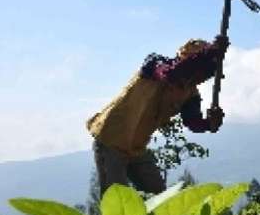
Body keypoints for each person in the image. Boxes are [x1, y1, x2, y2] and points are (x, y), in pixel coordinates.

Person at [86, 35, 229, 197]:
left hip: (136, 148)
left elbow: (193, 122)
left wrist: (210, 124)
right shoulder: (155, 64)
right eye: (202, 69)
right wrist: (211, 53)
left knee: (160, 197)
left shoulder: (190, 94)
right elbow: (172, 74)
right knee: (116, 199)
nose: (202, 77)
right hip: (110, 138)